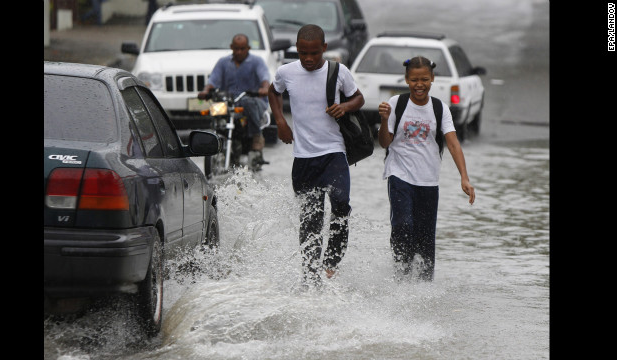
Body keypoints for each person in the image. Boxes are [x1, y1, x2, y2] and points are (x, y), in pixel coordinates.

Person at [267, 24, 365, 286]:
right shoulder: (286, 72)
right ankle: (310, 276)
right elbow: (273, 92)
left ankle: (332, 259)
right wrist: (280, 121)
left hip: (334, 152)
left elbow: (359, 98)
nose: (308, 59)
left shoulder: (338, 71)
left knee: (341, 204)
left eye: (313, 53)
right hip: (303, 158)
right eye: (302, 53)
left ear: (324, 48)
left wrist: (344, 106)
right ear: (296, 50)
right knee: (310, 218)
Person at [377, 56, 475, 282]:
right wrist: (383, 120)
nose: (419, 84)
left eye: (424, 79)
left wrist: (465, 178)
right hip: (399, 175)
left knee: (425, 239)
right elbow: (385, 142)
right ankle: (400, 278)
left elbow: (452, 143)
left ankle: (424, 290)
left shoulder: (440, 108)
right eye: (414, 80)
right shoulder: (395, 104)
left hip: (429, 182)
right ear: (406, 80)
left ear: (432, 79)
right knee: (403, 225)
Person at [198, 34, 270, 166]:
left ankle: (256, 137)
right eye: (236, 48)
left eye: (242, 49)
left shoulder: (257, 61)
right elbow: (213, 81)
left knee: (248, 102)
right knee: (215, 108)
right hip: (230, 103)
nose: (239, 52)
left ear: (248, 48)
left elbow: (265, 79)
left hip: (253, 101)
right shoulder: (223, 62)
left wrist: (264, 88)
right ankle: (217, 135)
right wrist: (206, 91)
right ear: (231, 47)